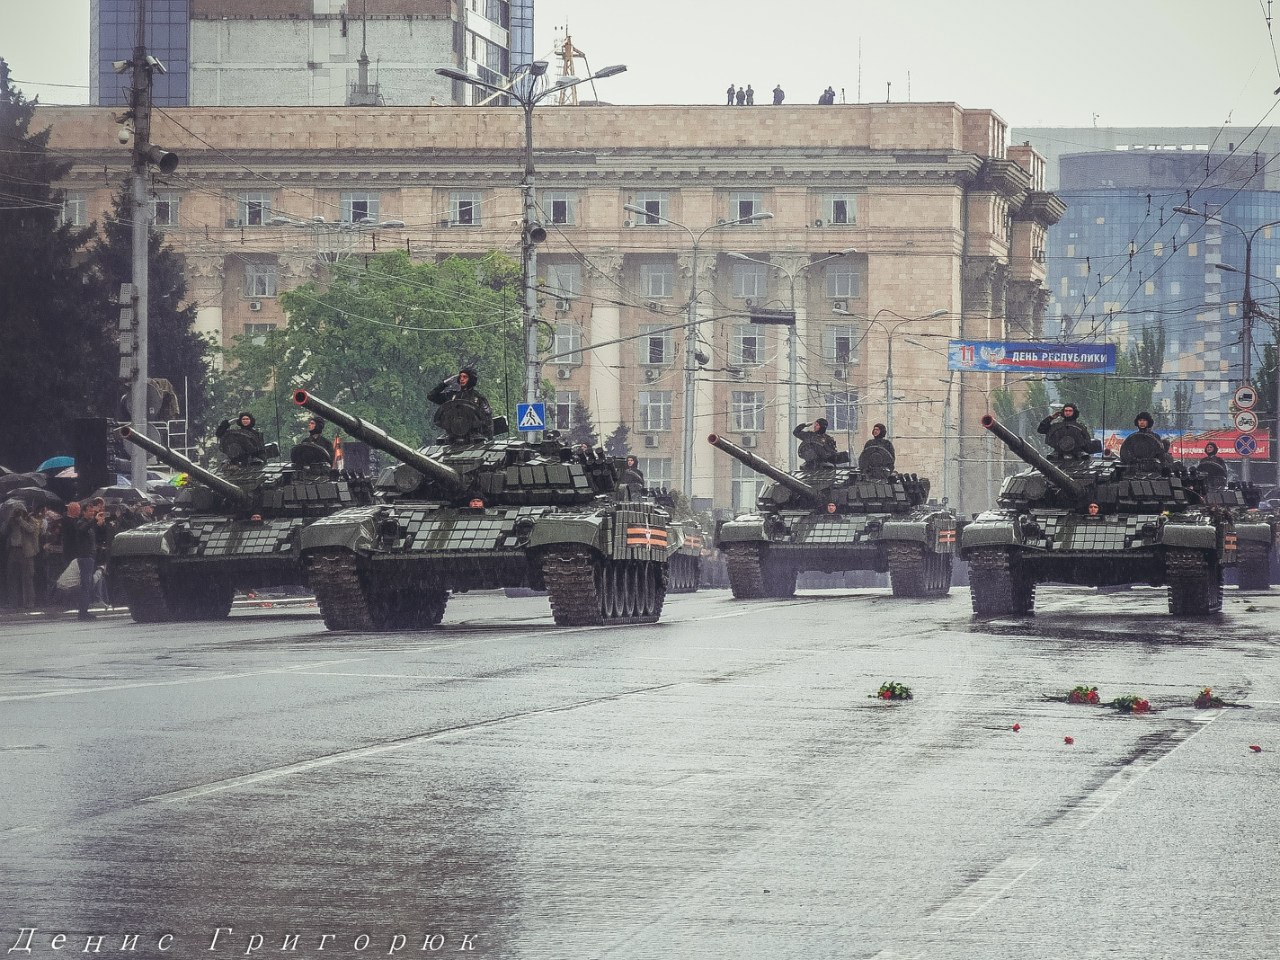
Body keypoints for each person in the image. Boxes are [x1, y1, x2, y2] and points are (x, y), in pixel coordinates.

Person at [62, 500, 103, 620]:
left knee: (88, 583)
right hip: (84, 557)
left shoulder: (88, 523)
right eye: (89, 511)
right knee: (85, 584)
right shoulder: (80, 522)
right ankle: (83, 612)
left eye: (92, 511)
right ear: (83, 512)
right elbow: (82, 530)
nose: (91, 513)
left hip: (89, 556)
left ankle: (84, 610)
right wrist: (94, 520)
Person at [428, 367, 494, 442]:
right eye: (460, 377)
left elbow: (487, 420)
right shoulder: (452, 396)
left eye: (465, 377)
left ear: (471, 379)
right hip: (452, 437)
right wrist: (444, 384)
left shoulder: (478, 398)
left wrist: (488, 439)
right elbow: (431, 396)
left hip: (474, 438)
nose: (461, 379)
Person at [5, 505, 40, 610]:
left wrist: (21, 520)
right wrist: (10, 519)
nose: (18, 513)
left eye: (20, 511)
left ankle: (29, 602)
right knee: (11, 576)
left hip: (26, 552)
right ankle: (13, 602)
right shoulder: (12, 521)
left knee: (28, 578)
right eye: (17, 511)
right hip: (13, 550)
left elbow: (30, 529)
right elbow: (3, 531)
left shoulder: (31, 520)